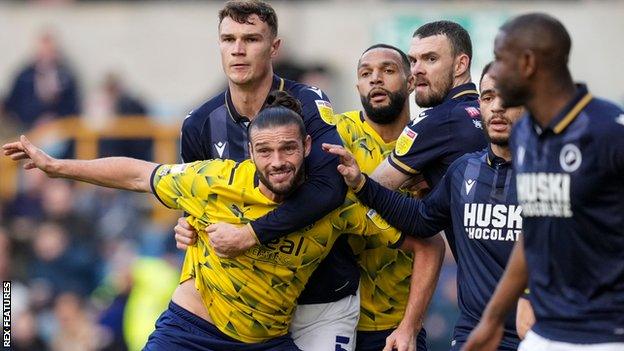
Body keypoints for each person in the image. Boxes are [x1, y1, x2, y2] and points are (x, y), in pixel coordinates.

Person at [4, 92, 421, 351]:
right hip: (192, 333)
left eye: (289, 149)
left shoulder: (336, 204)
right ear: (250, 153)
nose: (278, 162)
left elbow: (426, 243)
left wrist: (410, 325)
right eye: (265, 150)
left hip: (266, 340)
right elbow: (136, 173)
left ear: (308, 146)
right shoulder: (215, 181)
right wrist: (58, 166)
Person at [173, 2, 360, 349]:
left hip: (319, 298)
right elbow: (196, 202)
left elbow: (330, 188)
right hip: (243, 306)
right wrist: (187, 225)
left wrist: (251, 234)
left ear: (274, 47)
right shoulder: (199, 122)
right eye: (228, 39)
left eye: (251, 39)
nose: (238, 49)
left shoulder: (307, 103)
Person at [324, 63, 533, 350]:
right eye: (487, 97)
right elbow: (422, 220)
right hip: (476, 332)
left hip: (538, 332)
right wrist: (362, 184)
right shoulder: (464, 169)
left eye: (509, 98)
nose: (497, 107)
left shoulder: (553, 174)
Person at [462, 13, 624, 351]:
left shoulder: (608, 130)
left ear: (528, 63)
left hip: (607, 336)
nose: (494, 71)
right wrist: (491, 320)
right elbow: (533, 230)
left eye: (501, 58)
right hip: (544, 331)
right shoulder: (524, 133)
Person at [337, 44, 444, 351]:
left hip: (398, 324)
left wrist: (410, 326)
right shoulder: (335, 133)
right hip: (327, 317)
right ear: (357, 85)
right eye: (366, 73)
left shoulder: (431, 143)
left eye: (387, 70)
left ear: (411, 82)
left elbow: (438, 238)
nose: (375, 79)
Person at [368, 21, 487, 193]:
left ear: (460, 65)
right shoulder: (487, 112)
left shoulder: (437, 120)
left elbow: (373, 189)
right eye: (413, 61)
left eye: (430, 59)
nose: (416, 70)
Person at [4, 30, 80, 131]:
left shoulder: (66, 77)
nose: (46, 56)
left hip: (58, 129)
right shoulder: (24, 76)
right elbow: (13, 104)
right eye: (43, 52)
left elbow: (73, 108)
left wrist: (54, 117)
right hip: (27, 128)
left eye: (49, 52)